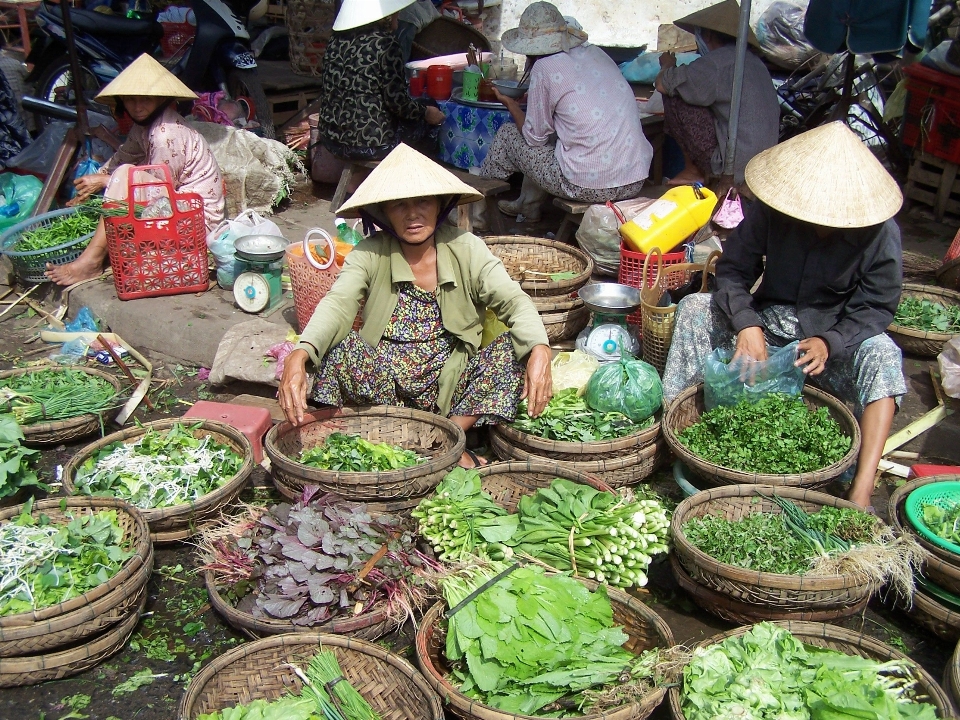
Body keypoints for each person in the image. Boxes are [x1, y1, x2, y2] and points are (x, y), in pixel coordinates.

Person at [661, 122, 906, 510]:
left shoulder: (878, 233)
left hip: (826, 345)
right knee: (693, 308)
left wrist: (831, 341)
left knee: (884, 354)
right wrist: (747, 323)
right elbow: (733, 269)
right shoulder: (775, 211)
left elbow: (877, 306)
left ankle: (860, 487)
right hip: (768, 323)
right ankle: (680, 436)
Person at [278, 144, 553, 469]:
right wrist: (300, 354)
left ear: (440, 204)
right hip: (383, 387)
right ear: (383, 212)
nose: (412, 214)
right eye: (399, 205)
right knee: (341, 348)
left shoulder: (467, 249)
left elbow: (513, 300)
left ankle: (445, 438)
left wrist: (540, 350)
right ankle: (403, 437)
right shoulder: (370, 253)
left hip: (451, 383)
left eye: (422, 201)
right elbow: (338, 304)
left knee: (512, 351)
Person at [45, 54, 224, 286]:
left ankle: (92, 261)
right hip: (174, 206)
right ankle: (96, 255)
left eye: (146, 99)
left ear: (161, 99)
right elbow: (121, 157)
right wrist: (91, 181)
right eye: (131, 100)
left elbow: (158, 187)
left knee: (125, 175)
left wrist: (105, 181)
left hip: (196, 220)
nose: (138, 107)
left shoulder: (165, 134)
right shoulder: (144, 127)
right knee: (122, 172)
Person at [478, 1, 653, 223]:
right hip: (634, 178)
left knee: (508, 134)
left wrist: (511, 105)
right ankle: (528, 206)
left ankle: (478, 213)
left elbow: (533, 137)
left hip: (588, 185)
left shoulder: (545, 66)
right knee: (556, 139)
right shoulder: (597, 53)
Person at [310, 0, 445, 184]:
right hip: (371, 144)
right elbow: (398, 103)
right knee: (430, 123)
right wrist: (427, 112)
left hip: (332, 138)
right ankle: (413, 188)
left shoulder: (336, 40)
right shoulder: (386, 44)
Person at [655, 0, 780, 187]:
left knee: (676, 95)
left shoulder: (716, 63)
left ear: (708, 35)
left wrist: (667, 65)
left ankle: (693, 170)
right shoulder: (754, 62)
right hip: (764, 161)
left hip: (736, 165)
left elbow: (662, 85)